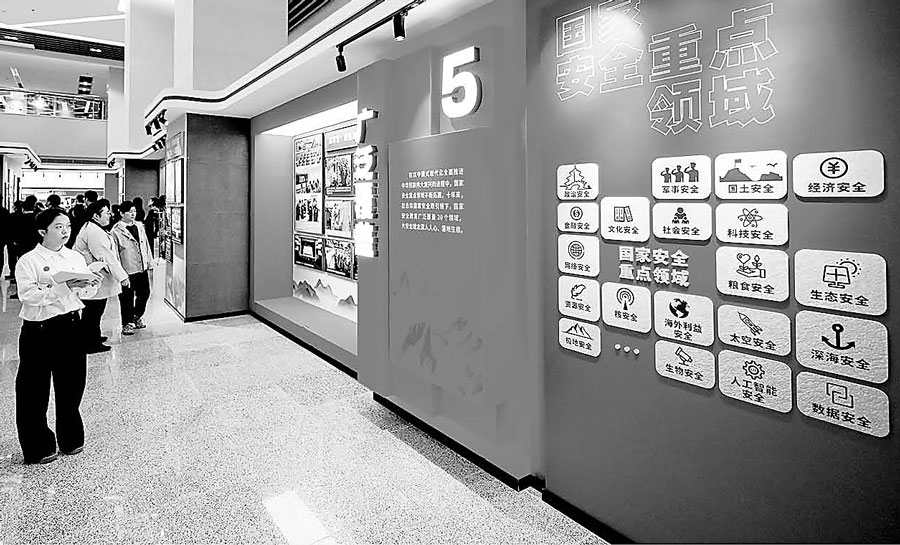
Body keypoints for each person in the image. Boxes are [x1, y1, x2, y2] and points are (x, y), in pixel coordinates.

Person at [14, 208, 100, 464]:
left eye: (68, 226)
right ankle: (38, 445)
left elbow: (82, 295)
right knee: (33, 391)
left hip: (71, 326)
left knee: (72, 385)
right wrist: (62, 287)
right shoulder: (28, 260)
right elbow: (28, 295)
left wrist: (89, 284)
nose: (65, 231)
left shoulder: (74, 257)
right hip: (39, 330)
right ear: (43, 231)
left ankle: (71, 438)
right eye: (58, 227)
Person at [73, 200, 129, 353]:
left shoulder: (94, 228)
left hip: (95, 278)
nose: (110, 215)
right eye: (106, 213)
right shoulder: (94, 232)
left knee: (95, 311)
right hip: (93, 278)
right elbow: (106, 256)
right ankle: (90, 343)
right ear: (95, 216)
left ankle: (93, 337)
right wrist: (122, 276)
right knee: (93, 312)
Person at [111, 200, 153, 335]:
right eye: (130, 212)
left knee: (145, 293)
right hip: (127, 270)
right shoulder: (116, 231)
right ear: (122, 213)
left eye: (134, 211)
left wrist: (149, 262)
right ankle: (127, 323)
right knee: (126, 298)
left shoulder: (139, 226)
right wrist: (119, 273)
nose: (133, 214)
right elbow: (115, 253)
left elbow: (146, 245)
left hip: (141, 267)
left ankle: (137, 316)